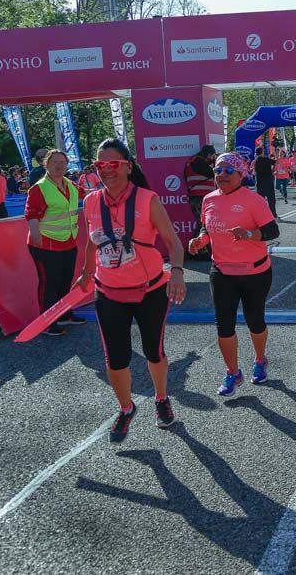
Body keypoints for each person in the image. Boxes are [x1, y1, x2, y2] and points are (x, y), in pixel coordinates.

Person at [76, 139, 186, 443]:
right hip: (109, 291)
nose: (106, 171)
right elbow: (91, 241)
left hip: (150, 289)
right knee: (116, 357)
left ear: (127, 166)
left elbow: (173, 242)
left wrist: (176, 273)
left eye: (113, 164)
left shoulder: (147, 199)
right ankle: (126, 409)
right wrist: (86, 273)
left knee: (154, 350)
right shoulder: (90, 201)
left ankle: (161, 398)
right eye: (100, 165)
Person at [188, 153, 279, 397]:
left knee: (254, 320)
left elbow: (272, 230)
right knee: (223, 325)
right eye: (218, 170)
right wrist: (200, 239)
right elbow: (207, 226)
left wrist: (249, 235)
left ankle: (260, 360)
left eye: (229, 171)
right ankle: (232, 372)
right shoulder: (208, 199)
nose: (222, 175)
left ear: (241, 174)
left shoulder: (254, 200)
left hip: (255, 271)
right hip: (222, 271)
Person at [25, 150, 86, 336]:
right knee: (49, 283)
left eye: (63, 162)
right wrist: (36, 236)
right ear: (46, 165)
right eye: (54, 162)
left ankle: (64, 313)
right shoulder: (39, 188)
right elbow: (31, 214)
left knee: (65, 281)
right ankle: (46, 322)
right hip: (45, 244)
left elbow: (87, 195)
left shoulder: (71, 185)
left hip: (68, 241)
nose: (59, 166)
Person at [251, 146, 277, 217]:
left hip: (259, 183)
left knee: (260, 201)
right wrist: (275, 153)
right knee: (271, 200)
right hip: (268, 182)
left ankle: (260, 215)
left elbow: (253, 172)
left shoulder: (255, 161)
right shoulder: (266, 159)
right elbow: (275, 162)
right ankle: (273, 214)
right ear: (262, 152)